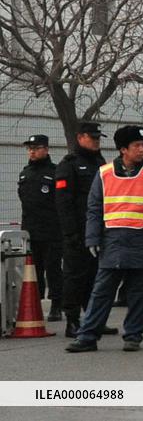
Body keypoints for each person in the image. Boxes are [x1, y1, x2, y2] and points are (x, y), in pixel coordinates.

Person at [65, 126, 143, 353]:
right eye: (136, 146)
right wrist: (91, 238)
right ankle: (87, 337)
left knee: (137, 293)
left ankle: (133, 337)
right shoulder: (104, 173)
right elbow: (94, 208)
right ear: (123, 149)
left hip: (141, 242)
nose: (142, 150)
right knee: (101, 292)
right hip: (112, 242)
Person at [55, 121, 117, 338]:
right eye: (93, 138)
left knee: (97, 278)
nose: (96, 141)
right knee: (74, 277)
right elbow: (63, 203)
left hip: (100, 231)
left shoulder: (100, 163)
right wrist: (70, 233)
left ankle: (95, 319)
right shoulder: (69, 165)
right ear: (80, 138)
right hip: (78, 232)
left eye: (98, 138)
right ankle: (72, 321)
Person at [17, 134, 63, 322]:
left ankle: (56, 305)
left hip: (51, 230)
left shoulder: (55, 172)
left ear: (46, 149)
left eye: (36, 148)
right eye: (30, 148)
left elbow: (60, 202)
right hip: (30, 230)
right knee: (32, 270)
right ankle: (34, 303)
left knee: (53, 269)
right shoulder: (25, 173)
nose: (32, 152)